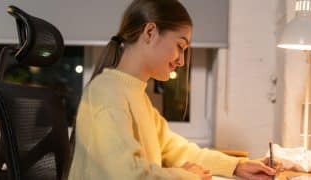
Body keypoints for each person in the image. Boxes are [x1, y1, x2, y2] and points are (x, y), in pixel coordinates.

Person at [68, 0, 279, 179]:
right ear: (150, 32)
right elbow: (127, 174)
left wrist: (237, 166)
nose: (182, 61)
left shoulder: (137, 97)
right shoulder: (106, 93)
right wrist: (185, 175)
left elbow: (179, 151)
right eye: (180, 46)